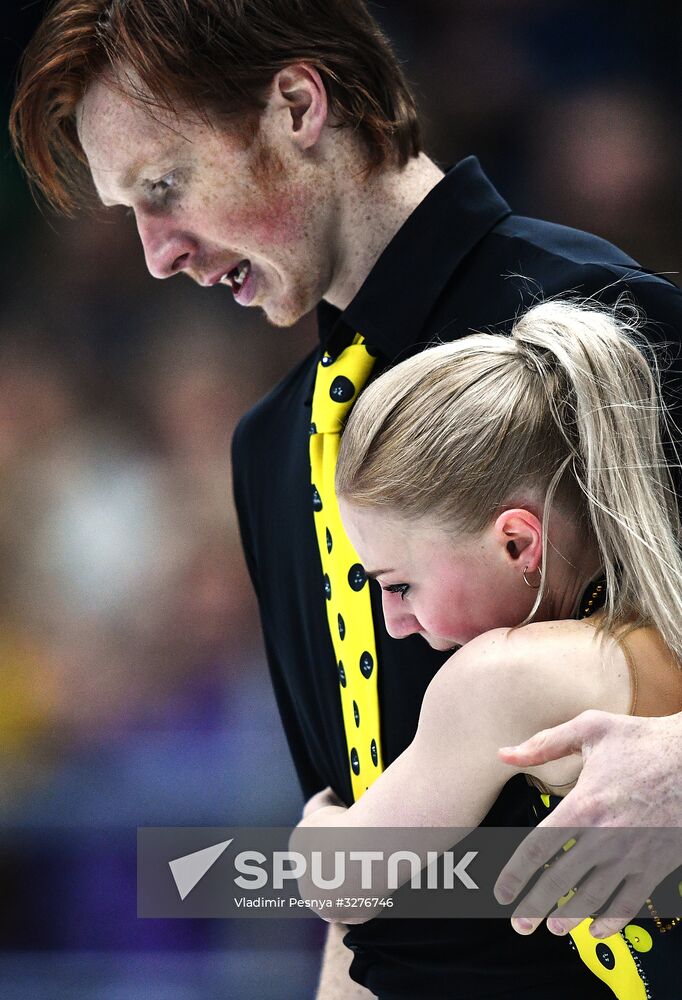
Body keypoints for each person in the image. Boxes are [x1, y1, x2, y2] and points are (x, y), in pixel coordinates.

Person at [9, 1, 682, 996]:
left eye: (165, 187)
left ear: (296, 105)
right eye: (131, 214)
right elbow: (360, 883)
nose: (156, 254)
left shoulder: (613, 325)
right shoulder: (272, 448)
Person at [295, 297, 682, 998]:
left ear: (517, 543)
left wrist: (315, 822)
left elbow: (342, 880)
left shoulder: (501, 679)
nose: (393, 623)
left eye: (399, 584)